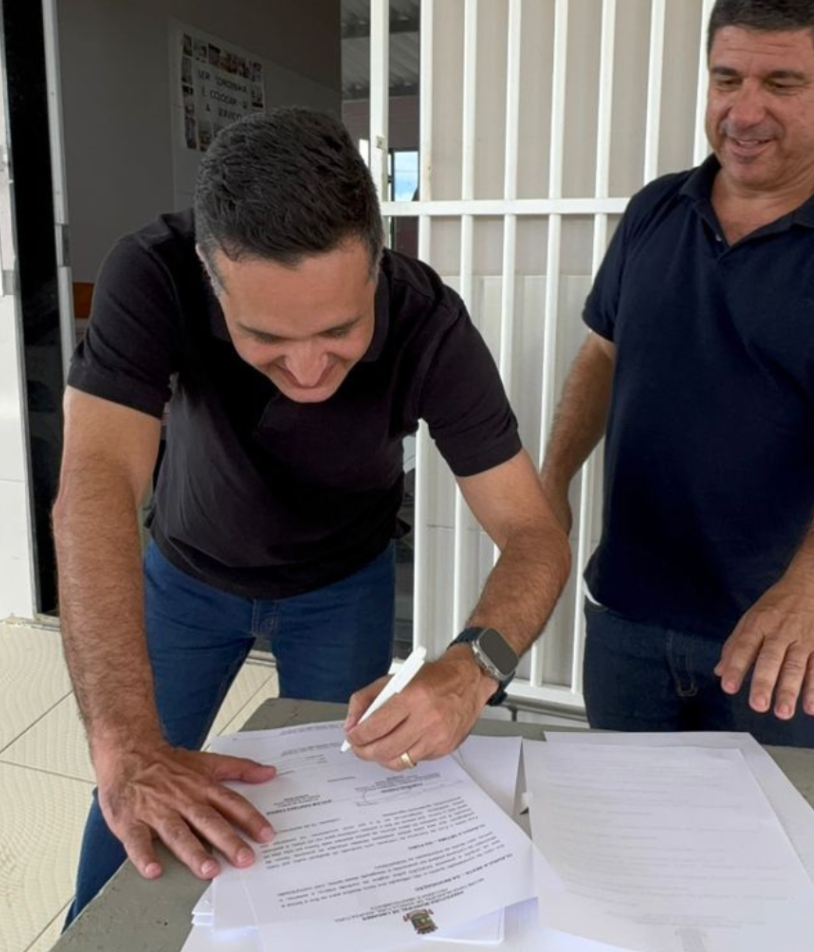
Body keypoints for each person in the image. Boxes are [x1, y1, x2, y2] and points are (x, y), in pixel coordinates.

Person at [55, 107, 570, 921]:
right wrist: (122, 746)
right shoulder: (151, 274)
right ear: (209, 276)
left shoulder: (430, 324)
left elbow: (534, 533)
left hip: (341, 584)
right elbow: (95, 489)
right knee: (136, 792)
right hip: (186, 572)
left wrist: (474, 666)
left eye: (340, 331)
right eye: (265, 337)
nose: (306, 369)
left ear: (377, 266)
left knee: (344, 796)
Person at [540, 0, 814, 749]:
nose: (745, 112)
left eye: (781, 83)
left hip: (777, 635)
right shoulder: (655, 212)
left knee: (766, 826)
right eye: (727, 79)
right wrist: (552, 484)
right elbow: (602, 357)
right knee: (621, 816)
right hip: (627, 616)